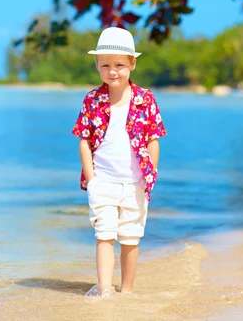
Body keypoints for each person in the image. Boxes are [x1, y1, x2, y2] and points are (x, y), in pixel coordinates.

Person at [71, 27, 167, 299]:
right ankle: (104, 291)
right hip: (102, 181)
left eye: (120, 65)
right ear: (97, 65)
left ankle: (127, 291)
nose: (113, 71)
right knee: (104, 235)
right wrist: (91, 179)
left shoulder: (145, 99)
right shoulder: (92, 99)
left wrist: (151, 175)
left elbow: (153, 140)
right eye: (106, 65)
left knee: (130, 238)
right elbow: (84, 140)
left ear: (133, 64)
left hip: (136, 181)